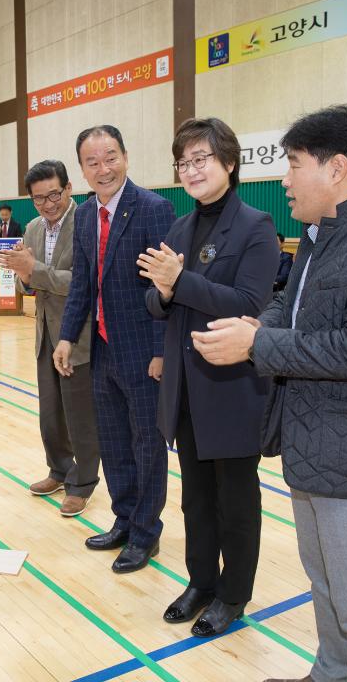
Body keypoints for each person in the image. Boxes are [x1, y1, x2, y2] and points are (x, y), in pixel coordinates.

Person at [191, 104, 347, 682]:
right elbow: (286, 305)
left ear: (337, 169)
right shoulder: (319, 236)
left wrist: (257, 347)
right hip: (313, 442)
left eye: (293, 164)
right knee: (324, 582)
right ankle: (329, 673)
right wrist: (257, 327)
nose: (284, 179)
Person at [138, 118, 278, 636]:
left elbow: (248, 304)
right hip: (185, 388)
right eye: (184, 162)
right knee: (195, 496)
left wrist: (181, 283)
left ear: (230, 163)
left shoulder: (257, 225)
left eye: (201, 159)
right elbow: (155, 300)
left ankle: (233, 594)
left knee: (235, 500)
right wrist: (167, 291)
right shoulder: (178, 227)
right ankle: (200, 581)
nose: (191, 170)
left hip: (231, 387)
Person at [55, 125, 175, 573]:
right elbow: (84, 283)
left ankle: (146, 533)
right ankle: (124, 520)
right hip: (102, 350)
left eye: (110, 158)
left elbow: (167, 289)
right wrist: (67, 336)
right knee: (114, 442)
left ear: (125, 156)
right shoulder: (84, 216)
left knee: (147, 444)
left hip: (144, 352)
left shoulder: (155, 209)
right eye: (92, 162)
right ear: (82, 169)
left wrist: (163, 349)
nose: (103, 169)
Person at [0, 160, 100, 517]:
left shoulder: (87, 222)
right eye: (39, 198)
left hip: (78, 335)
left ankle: (83, 482)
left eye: (54, 194)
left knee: (79, 413)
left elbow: (83, 283)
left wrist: (34, 271)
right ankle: (59, 470)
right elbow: (31, 285)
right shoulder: (31, 229)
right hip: (44, 332)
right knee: (51, 413)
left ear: (69, 188)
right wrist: (23, 273)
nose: (48, 204)